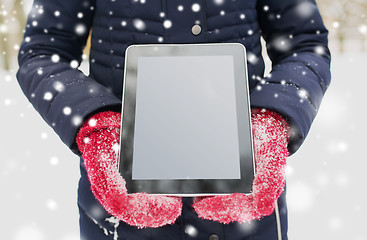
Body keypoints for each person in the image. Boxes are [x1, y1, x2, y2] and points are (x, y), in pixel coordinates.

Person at [16, 0, 331, 239]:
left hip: (245, 195)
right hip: (124, 196)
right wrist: (96, 126)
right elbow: (42, 54)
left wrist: (273, 118)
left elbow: (305, 46)